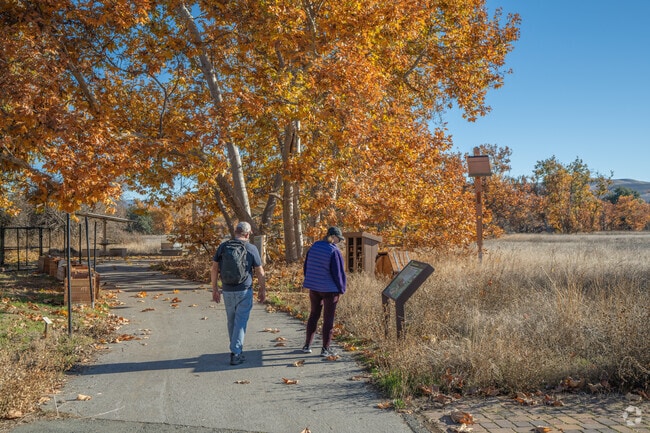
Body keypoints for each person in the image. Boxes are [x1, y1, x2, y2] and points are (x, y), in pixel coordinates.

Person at [211, 221, 266, 365]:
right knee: (240, 322)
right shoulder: (251, 248)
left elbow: (214, 269)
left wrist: (215, 289)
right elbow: (259, 271)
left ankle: (235, 348)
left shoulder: (223, 247)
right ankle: (235, 353)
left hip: (227, 290)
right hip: (244, 290)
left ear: (235, 232)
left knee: (231, 321)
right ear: (247, 234)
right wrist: (262, 289)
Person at [302, 226, 347, 357]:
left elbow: (306, 266)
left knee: (313, 315)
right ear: (333, 237)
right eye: (338, 239)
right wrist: (342, 288)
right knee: (328, 319)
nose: (339, 242)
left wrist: (310, 280)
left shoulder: (314, 246)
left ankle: (307, 345)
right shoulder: (334, 251)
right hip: (330, 290)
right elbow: (338, 273)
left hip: (314, 287)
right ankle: (325, 349)